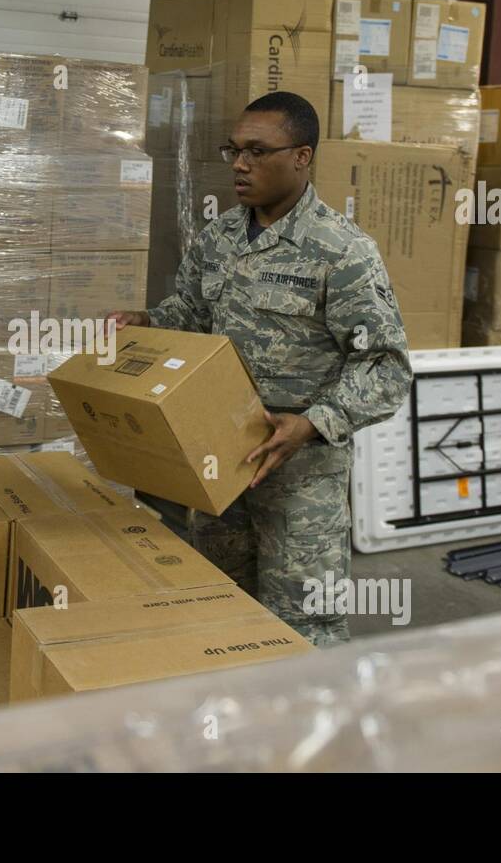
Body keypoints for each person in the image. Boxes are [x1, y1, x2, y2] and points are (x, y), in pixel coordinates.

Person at [107, 91, 412, 646]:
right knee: (219, 604)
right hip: (220, 460)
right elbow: (192, 315)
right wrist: (146, 320)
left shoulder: (341, 252)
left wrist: (313, 422)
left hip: (301, 483)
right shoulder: (220, 238)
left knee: (303, 623)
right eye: (234, 150)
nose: (240, 164)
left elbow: (386, 368)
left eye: (257, 151)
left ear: (301, 156)